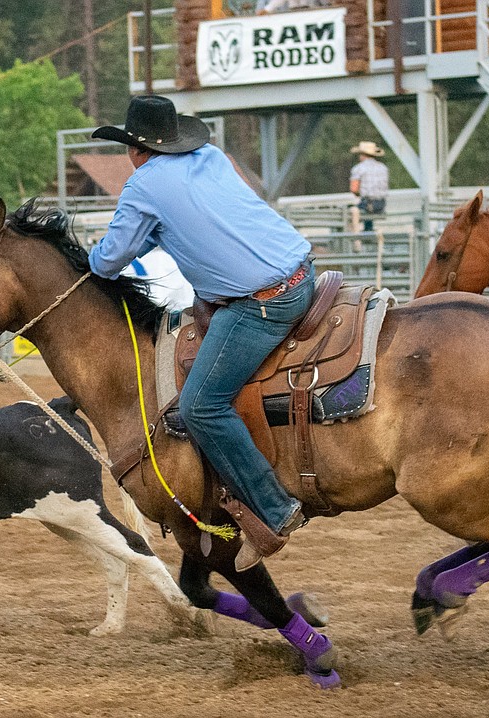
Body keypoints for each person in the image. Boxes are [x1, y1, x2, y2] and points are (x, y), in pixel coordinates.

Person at [88, 95, 315, 570]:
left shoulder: (143, 186)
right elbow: (206, 217)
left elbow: (108, 261)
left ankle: (275, 509)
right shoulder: (211, 158)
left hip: (262, 303)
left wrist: (100, 250)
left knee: (200, 405)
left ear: (134, 149)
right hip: (303, 274)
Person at [349, 141, 389, 233]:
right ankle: (368, 230)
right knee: (365, 208)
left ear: (362, 155)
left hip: (368, 204)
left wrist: (359, 193)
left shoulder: (359, 168)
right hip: (381, 204)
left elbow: (353, 189)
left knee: (349, 213)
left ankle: (355, 241)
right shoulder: (383, 167)